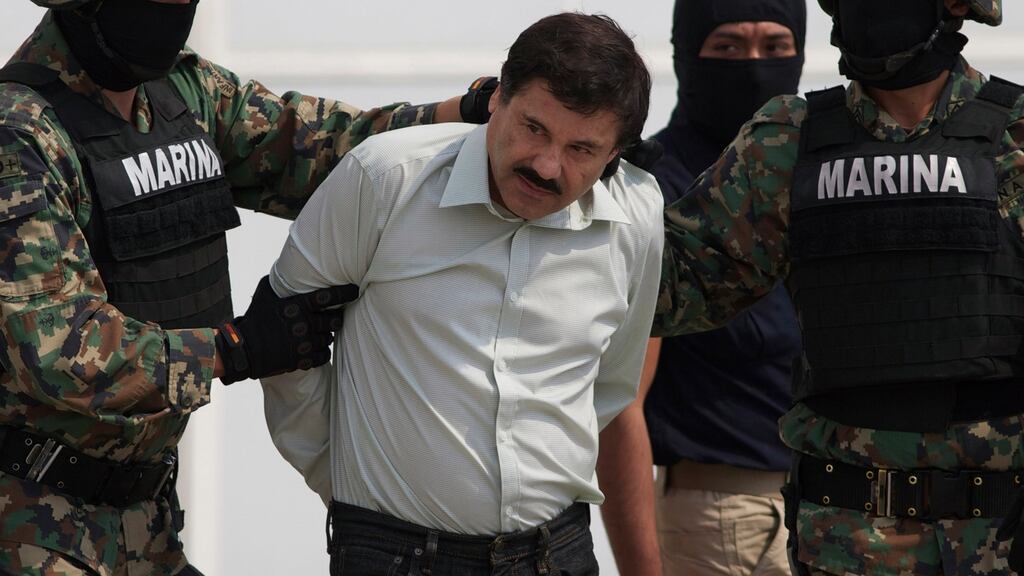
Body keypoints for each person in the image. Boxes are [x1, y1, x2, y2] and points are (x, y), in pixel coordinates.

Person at [0, 1, 483, 574]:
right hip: (31, 523)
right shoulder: (19, 135)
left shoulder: (184, 90)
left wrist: (467, 115)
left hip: (143, 522)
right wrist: (235, 349)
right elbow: (59, 350)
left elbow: (321, 150)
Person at [260, 12, 663, 575]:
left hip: (560, 554)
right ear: (497, 97)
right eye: (534, 128)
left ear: (614, 154)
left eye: (582, 150)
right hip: (394, 557)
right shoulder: (384, 179)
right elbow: (281, 341)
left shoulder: (637, 215)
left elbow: (610, 383)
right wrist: (350, 487)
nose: (547, 166)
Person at [654, 0, 1024, 575]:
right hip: (846, 544)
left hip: (1001, 538)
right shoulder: (787, 143)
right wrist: (595, 191)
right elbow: (672, 290)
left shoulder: (1016, 138)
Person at [597, 1, 805, 575]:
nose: (754, 66)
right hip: (724, 524)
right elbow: (620, 404)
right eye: (728, 46)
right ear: (688, 53)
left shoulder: (818, 172)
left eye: (775, 46)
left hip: (838, 517)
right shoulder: (656, 188)